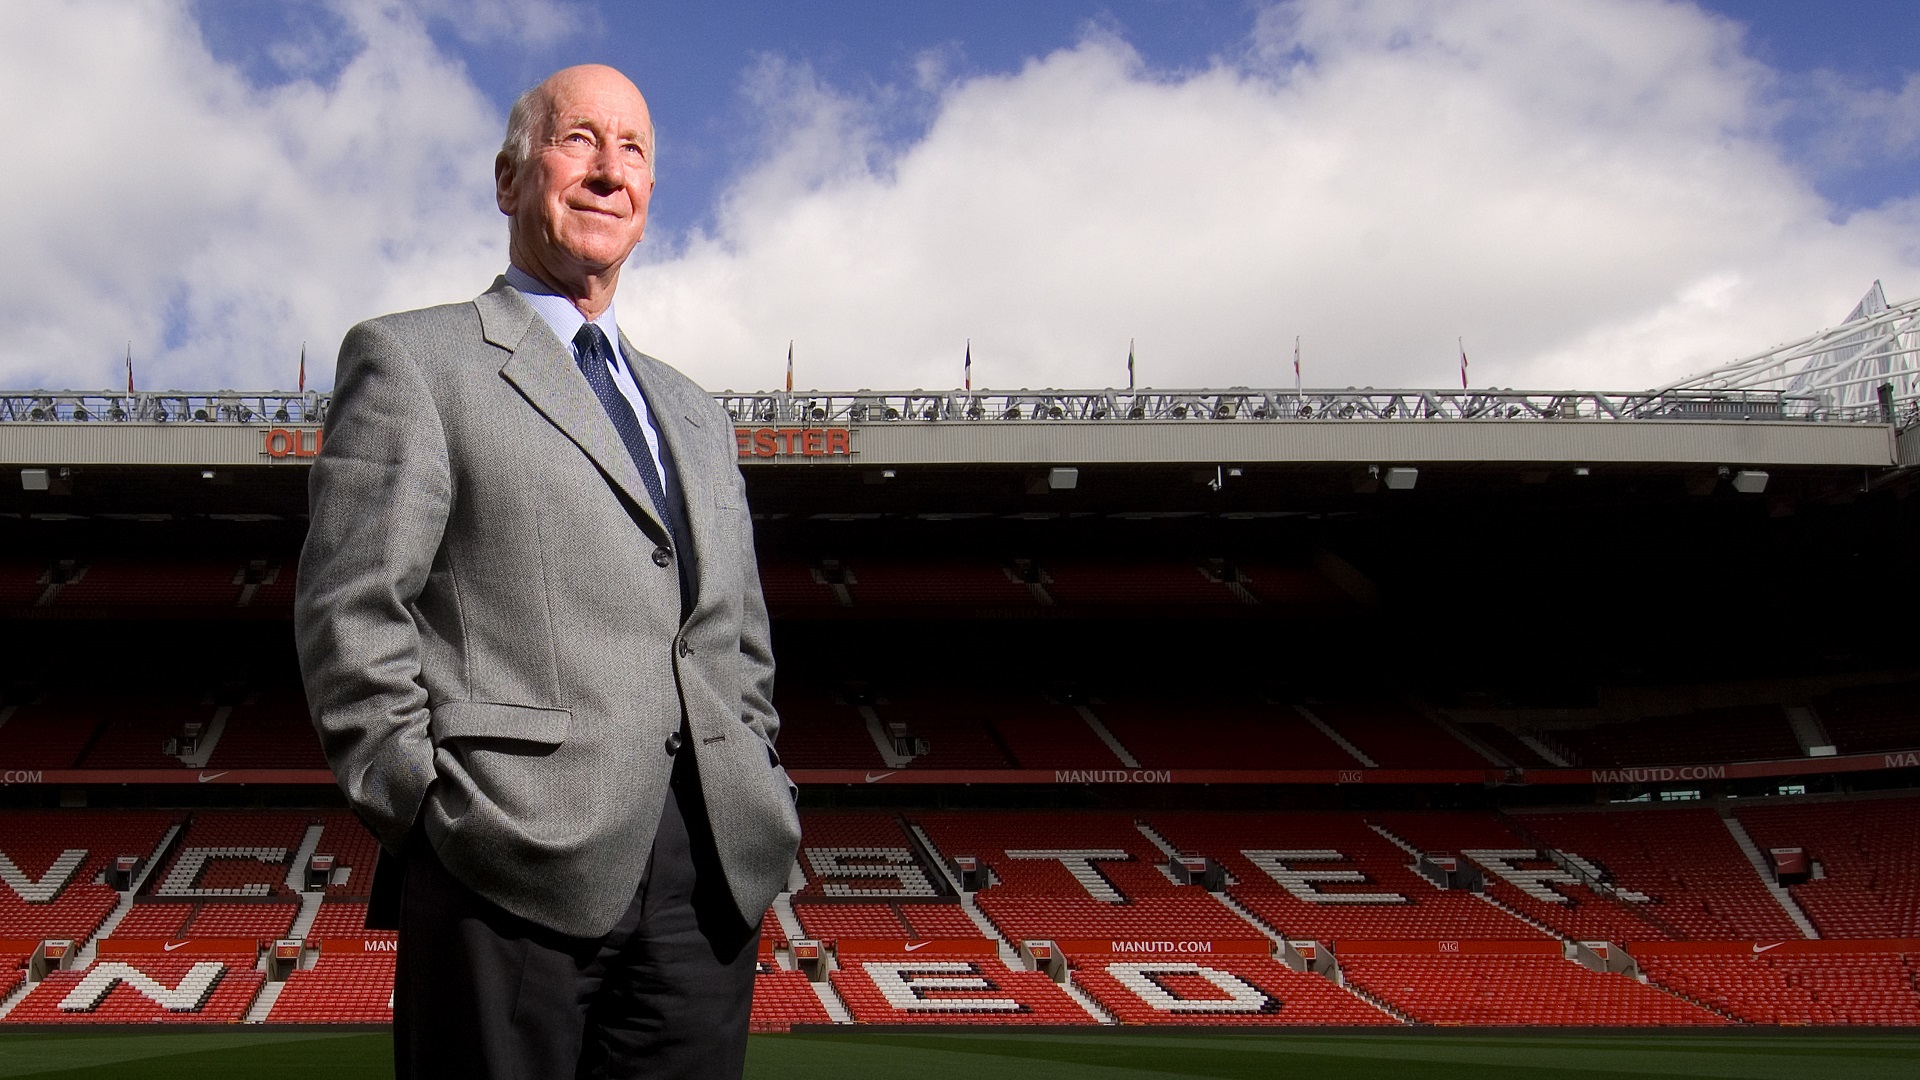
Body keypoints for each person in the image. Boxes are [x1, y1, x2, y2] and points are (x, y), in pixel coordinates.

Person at [294, 64, 799, 1079]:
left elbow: (737, 640)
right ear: (509, 177)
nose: (609, 171)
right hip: (504, 860)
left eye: (634, 151)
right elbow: (353, 607)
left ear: (652, 195)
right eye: (579, 141)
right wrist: (433, 815)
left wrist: (759, 779)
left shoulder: (696, 413)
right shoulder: (415, 361)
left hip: (707, 882)